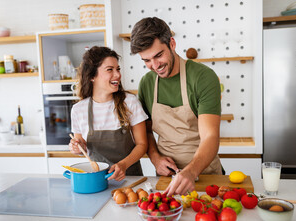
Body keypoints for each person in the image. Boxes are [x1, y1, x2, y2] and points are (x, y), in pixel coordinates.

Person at [130, 17, 223, 195]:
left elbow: (210, 136)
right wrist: (156, 159)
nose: (155, 66)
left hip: (204, 175)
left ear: (172, 43)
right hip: (166, 178)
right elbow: (146, 132)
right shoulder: (147, 83)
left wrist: (191, 171)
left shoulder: (203, 77)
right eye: (147, 60)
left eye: (158, 55)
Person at [69, 46, 148, 181]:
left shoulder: (130, 102)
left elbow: (142, 144)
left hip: (130, 178)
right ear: (92, 76)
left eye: (118, 69)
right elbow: (82, 147)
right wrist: (77, 147)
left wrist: (123, 164)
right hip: (97, 179)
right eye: (110, 70)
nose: (117, 75)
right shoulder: (78, 110)